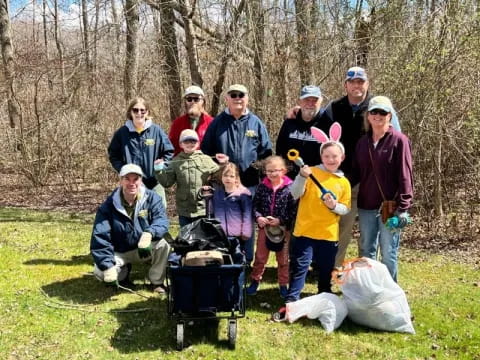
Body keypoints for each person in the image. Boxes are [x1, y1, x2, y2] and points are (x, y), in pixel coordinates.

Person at [320, 66, 401, 267]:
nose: (357, 85)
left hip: (376, 184)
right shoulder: (334, 108)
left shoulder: (378, 106)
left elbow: (397, 142)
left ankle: (379, 277)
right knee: (341, 228)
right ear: (346, 85)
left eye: (361, 82)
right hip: (344, 181)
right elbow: (317, 136)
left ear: (367, 84)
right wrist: (296, 114)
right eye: (352, 82)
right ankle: (334, 270)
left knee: (375, 238)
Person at [274, 127, 351, 321]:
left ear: (342, 157)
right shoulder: (311, 173)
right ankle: (292, 300)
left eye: (335, 156)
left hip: (328, 234)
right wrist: (301, 176)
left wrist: (334, 206)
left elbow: (345, 209)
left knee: (325, 269)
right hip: (305, 232)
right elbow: (294, 193)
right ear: (321, 156)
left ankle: (324, 295)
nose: (331, 159)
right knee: (300, 266)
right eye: (326, 156)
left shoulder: (344, 182)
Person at [201, 84, 273, 263]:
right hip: (223, 185)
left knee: (247, 222)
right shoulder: (218, 122)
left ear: (247, 98)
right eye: (233, 95)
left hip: (249, 184)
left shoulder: (255, 122)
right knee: (224, 221)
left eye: (241, 95)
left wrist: (256, 166)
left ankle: (246, 260)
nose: (237, 98)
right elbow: (205, 152)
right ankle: (225, 257)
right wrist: (215, 159)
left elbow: (267, 153)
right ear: (227, 99)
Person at [351, 96, 413, 282]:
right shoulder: (363, 142)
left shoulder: (399, 140)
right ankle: (370, 290)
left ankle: (390, 293)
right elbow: (355, 174)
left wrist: (403, 207)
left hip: (391, 208)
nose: (378, 116)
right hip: (366, 205)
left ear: (390, 115)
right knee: (366, 250)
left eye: (383, 112)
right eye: (374, 112)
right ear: (368, 116)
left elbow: (405, 174)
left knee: (388, 252)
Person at [90, 164, 171, 293]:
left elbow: (161, 221)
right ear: (120, 180)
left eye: (136, 179)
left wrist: (149, 233)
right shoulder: (108, 205)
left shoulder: (153, 198)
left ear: (141, 180)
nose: (131, 183)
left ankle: (156, 282)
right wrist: (107, 264)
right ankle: (122, 274)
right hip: (120, 251)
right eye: (127, 179)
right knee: (101, 272)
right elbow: (100, 236)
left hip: (144, 247)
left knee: (163, 245)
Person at [108, 97, 174, 208]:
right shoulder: (122, 133)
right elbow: (113, 155)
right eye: (135, 110)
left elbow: (169, 151)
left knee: (159, 210)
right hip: (132, 182)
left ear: (147, 112)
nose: (139, 113)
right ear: (130, 112)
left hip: (154, 182)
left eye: (142, 110)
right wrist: (123, 170)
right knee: (135, 213)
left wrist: (161, 166)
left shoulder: (156, 131)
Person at [246, 156, 296, 299]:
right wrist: (259, 217)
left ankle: (283, 284)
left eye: (276, 170)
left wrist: (281, 220)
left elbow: (293, 210)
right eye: (269, 171)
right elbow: (255, 205)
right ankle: (255, 280)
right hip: (265, 228)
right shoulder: (262, 186)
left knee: (283, 258)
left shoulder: (290, 187)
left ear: (284, 171)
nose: (272, 174)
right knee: (260, 256)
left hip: (282, 228)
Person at [155, 129, 227, 227]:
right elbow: (167, 183)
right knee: (186, 239)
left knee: (204, 239)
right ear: (181, 144)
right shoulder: (176, 161)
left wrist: (223, 164)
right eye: (186, 141)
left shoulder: (206, 159)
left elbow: (220, 179)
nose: (190, 144)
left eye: (193, 141)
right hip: (184, 211)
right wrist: (159, 170)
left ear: (198, 143)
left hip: (204, 209)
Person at [276, 85, 332, 179]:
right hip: (290, 180)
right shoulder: (289, 122)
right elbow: (280, 151)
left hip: (318, 180)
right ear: (300, 101)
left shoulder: (327, 122)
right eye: (306, 100)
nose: (310, 103)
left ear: (321, 101)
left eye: (314, 100)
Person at [207, 162, 253, 253]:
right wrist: (207, 197)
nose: (228, 178)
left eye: (231, 176)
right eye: (225, 175)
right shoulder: (217, 193)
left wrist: (246, 232)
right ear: (221, 177)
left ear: (236, 178)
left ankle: (244, 265)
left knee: (237, 255)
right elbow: (210, 211)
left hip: (237, 234)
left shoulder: (243, 194)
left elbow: (248, 214)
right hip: (220, 233)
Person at [169, 86, 214, 156]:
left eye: (196, 99)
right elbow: (171, 148)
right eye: (189, 99)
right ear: (185, 102)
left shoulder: (211, 123)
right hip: (182, 164)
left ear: (203, 102)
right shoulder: (177, 123)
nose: (192, 102)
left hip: (205, 164)